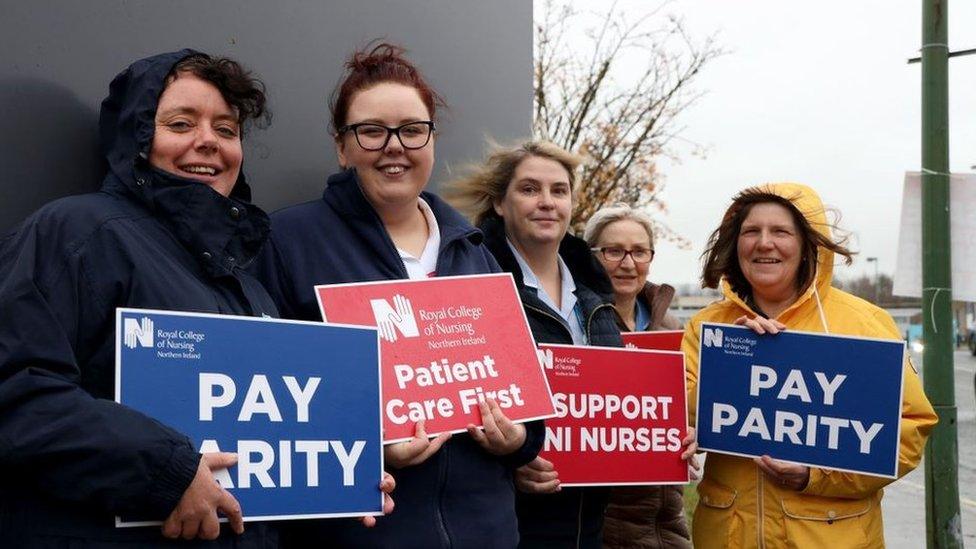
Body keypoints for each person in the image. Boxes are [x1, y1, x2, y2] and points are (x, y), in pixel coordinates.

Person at [0, 50, 393, 548]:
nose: (208, 141)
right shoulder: (78, 232)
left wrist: (339, 482)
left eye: (227, 130)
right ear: (138, 138)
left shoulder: (249, 283)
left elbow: (266, 443)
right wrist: (166, 470)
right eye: (181, 123)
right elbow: (17, 391)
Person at [252, 43, 543, 548]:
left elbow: (529, 403)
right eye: (371, 131)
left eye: (412, 130)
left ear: (431, 141)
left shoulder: (477, 252)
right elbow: (258, 405)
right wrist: (368, 450)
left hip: (487, 532)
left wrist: (518, 440)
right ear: (342, 147)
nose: (395, 146)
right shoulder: (286, 242)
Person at [445, 141, 697, 548]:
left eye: (558, 191)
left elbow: (612, 411)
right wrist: (514, 461)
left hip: (587, 527)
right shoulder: (471, 286)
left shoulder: (595, 296)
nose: (546, 202)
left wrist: (666, 439)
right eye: (529, 189)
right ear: (499, 203)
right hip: (510, 527)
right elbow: (448, 405)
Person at [681, 183, 938, 548]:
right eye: (751, 231)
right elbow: (679, 416)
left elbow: (908, 431)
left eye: (780, 231)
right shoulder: (706, 327)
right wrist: (737, 360)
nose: (763, 242)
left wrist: (815, 474)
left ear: (806, 246)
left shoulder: (865, 323)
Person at [582, 204, 690, 549]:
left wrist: (690, 436)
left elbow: (686, 406)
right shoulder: (573, 325)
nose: (628, 264)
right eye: (613, 251)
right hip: (604, 526)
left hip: (668, 522)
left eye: (640, 252)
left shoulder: (671, 328)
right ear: (591, 256)